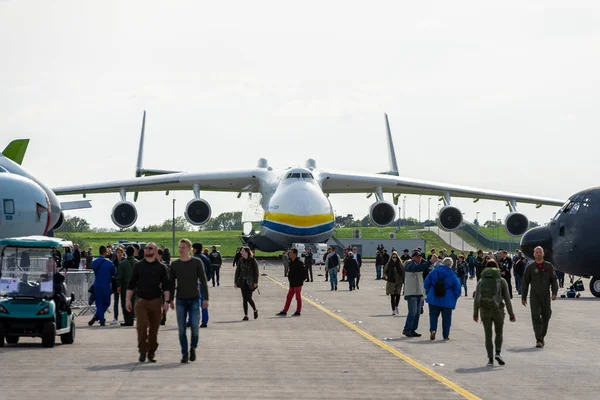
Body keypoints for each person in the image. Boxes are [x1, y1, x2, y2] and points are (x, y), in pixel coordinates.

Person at [126, 242, 170, 363]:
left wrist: (167, 301)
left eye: (150, 248)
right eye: (146, 248)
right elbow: (131, 284)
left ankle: (151, 353)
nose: (147, 250)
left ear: (155, 251)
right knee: (141, 326)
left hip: (156, 301)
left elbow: (166, 286)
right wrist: (127, 300)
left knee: (154, 330)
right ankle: (142, 351)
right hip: (141, 301)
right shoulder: (138, 266)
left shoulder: (162, 267)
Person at [170, 239, 209, 363]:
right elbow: (171, 283)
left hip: (194, 298)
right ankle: (185, 353)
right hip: (180, 299)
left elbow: (203, 280)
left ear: (189, 249)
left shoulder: (197, 262)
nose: (180, 249)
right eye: (179, 247)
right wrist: (170, 299)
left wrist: (206, 298)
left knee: (194, 327)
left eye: (183, 247)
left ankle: (193, 348)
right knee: (181, 329)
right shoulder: (175, 264)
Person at [473, 259, 516, 366]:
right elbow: (507, 299)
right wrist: (511, 314)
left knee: (488, 335)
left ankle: (490, 359)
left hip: (484, 311)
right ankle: (498, 352)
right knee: (499, 333)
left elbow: (476, 299)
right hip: (498, 310)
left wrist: (475, 313)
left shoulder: (481, 281)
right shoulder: (501, 281)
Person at [521, 246, 558, 348]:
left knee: (547, 315)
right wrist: (523, 297)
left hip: (546, 295)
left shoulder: (549, 267)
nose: (538, 254)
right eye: (536, 252)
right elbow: (525, 283)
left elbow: (554, 280)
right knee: (536, 316)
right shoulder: (530, 268)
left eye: (540, 252)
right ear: (534, 254)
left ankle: (542, 335)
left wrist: (555, 292)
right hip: (534, 295)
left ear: (543, 254)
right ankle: (539, 339)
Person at [424, 257, 462, 340]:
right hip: (447, 299)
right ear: (451, 265)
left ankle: (433, 330)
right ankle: (445, 335)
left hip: (434, 297)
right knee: (446, 319)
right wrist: (454, 297)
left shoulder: (434, 271)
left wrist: (429, 292)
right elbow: (458, 289)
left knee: (433, 315)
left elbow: (426, 283)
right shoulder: (452, 274)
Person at [402, 251, 432, 337]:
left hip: (419, 292)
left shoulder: (418, 266)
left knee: (417, 313)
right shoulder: (410, 265)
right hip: (412, 293)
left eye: (420, 257)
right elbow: (416, 268)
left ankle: (412, 329)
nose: (420, 258)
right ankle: (407, 329)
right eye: (418, 257)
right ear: (413, 257)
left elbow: (423, 270)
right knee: (412, 312)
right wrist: (429, 262)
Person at [89, 246, 116, 327]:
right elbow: (113, 273)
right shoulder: (109, 263)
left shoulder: (94, 262)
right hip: (106, 285)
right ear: (105, 252)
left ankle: (100, 318)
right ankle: (99, 318)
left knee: (99, 303)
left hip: (97, 285)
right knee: (107, 303)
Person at [277, 248, 305, 316]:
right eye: (289, 253)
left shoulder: (299, 262)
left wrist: (300, 281)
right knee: (289, 297)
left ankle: (298, 311)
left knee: (298, 298)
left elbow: (304, 274)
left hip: (298, 283)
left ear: (295, 254)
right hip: (292, 283)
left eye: (291, 253)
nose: (290, 254)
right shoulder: (291, 262)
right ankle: (285, 311)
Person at [234, 246, 259, 321]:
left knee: (248, 298)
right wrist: (235, 282)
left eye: (242, 251)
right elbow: (237, 271)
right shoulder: (240, 260)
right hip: (242, 282)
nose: (241, 252)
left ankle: (255, 310)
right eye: (241, 251)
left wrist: (255, 282)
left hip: (250, 282)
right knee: (244, 299)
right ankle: (246, 315)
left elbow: (256, 272)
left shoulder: (253, 260)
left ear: (247, 252)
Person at [192, 243, 212, 328]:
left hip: (194, 283)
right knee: (203, 302)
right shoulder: (205, 258)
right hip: (202, 283)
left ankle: (191, 321)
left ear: (195, 249)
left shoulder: (193, 259)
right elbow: (210, 270)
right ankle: (204, 321)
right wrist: (207, 279)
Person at [117, 246, 137, 326]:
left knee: (125, 303)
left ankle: (128, 321)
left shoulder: (122, 264)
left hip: (126, 287)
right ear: (133, 252)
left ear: (126, 253)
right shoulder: (138, 263)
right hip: (136, 287)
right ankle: (132, 318)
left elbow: (119, 276)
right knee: (134, 302)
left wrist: (118, 286)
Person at [111, 247, 125, 325]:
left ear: (123, 253)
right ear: (116, 254)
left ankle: (125, 317)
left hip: (123, 284)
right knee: (116, 302)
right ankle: (115, 318)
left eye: (120, 252)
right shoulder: (114, 262)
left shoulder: (125, 261)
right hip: (116, 284)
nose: (119, 254)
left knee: (123, 302)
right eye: (118, 252)